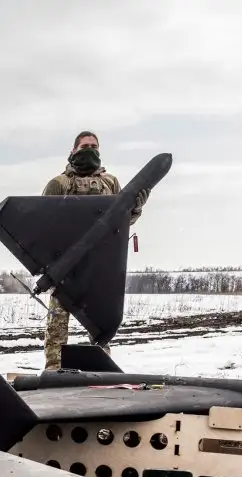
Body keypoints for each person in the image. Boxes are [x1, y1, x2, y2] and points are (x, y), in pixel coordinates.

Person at [39, 130, 149, 370]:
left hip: (101, 264)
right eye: (84, 146)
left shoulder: (111, 183)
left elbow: (123, 221)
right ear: (73, 151)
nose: (90, 150)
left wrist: (136, 208)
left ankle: (102, 366)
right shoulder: (58, 184)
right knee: (58, 321)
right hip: (67, 266)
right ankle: (54, 366)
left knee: (100, 320)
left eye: (94, 146)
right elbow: (43, 223)